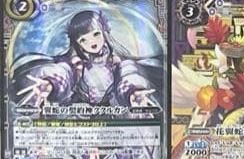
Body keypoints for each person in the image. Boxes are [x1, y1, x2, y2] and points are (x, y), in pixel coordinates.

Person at [14, 9, 159, 109]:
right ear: (78, 44)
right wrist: (51, 83)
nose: (91, 42)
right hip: (80, 111)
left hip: (109, 112)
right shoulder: (76, 63)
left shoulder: (116, 61)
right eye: (83, 40)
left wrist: (133, 91)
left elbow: (128, 73)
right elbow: (62, 71)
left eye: (96, 34)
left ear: (104, 32)